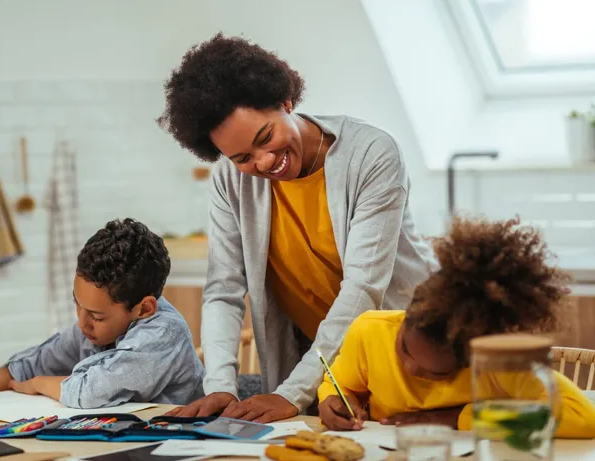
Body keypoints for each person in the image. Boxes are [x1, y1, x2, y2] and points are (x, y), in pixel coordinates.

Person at [158, 33, 438, 422]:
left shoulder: (372, 155)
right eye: (242, 157)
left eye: (265, 137)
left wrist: (291, 393)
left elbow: (363, 288)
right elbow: (224, 288)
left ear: (285, 101)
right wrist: (220, 385)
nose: (265, 161)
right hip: (321, 363)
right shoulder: (229, 178)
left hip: (408, 350)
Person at [318, 216, 595, 439]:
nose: (412, 369)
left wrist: (456, 417)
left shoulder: (498, 365)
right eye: (404, 348)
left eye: (436, 373)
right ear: (408, 314)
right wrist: (334, 398)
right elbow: (338, 383)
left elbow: (583, 418)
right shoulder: (370, 331)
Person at [0, 218, 205, 408]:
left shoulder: (163, 333)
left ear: (143, 309)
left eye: (97, 316)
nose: (82, 323)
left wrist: (40, 383)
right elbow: (28, 366)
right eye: (77, 304)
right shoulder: (93, 328)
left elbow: (88, 391)